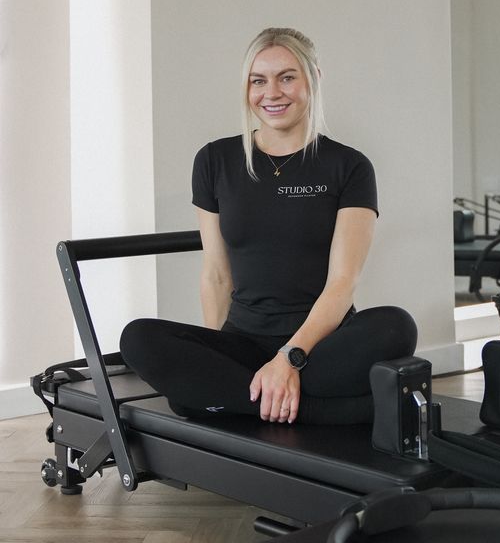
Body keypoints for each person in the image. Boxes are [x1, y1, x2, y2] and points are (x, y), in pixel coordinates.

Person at [120, 28, 417, 425]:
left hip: (321, 347)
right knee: (137, 338)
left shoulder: (349, 167)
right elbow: (216, 274)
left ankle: (232, 397)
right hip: (242, 340)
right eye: (258, 80)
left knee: (396, 326)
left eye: (287, 77)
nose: (271, 93)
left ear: (313, 79)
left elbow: (343, 282)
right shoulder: (214, 161)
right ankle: (329, 410)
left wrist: (289, 359)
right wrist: (216, 349)